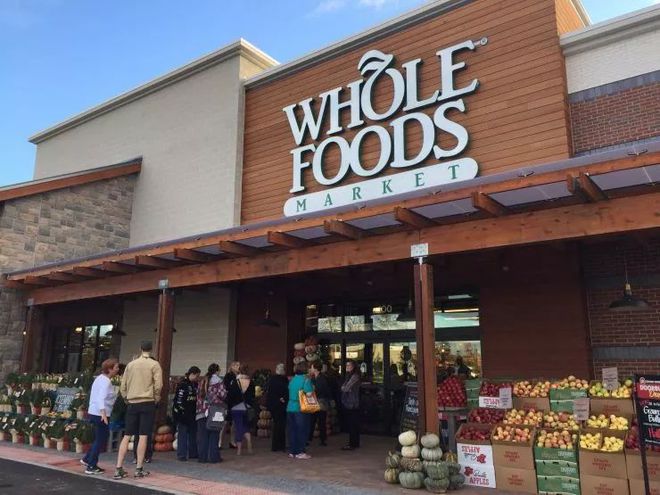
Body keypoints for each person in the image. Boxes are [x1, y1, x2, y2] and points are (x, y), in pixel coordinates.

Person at [114, 341, 162, 480]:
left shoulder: (131, 365)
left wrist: (126, 398)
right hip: (147, 402)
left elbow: (123, 385)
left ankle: (118, 468)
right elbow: (158, 385)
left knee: (127, 435)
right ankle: (139, 468)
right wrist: (156, 397)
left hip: (132, 403)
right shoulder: (154, 364)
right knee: (143, 436)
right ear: (151, 349)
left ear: (140, 349)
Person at [82, 358, 120, 474]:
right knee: (101, 438)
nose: (118, 369)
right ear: (110, 369)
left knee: (99, 437)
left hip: (94, 412)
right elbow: (101, 398)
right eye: (116, 367)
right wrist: (103, 413)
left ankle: (87, 459)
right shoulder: (106, 381)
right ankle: (91, 465)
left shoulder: (99, 378)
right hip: (101, 414)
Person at [196, 364, 226, 463]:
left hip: (201, 410)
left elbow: (198, 394)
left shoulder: (202, 381)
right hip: (215, 411)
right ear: (217, 371)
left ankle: (202, 457)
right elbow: (223, 395)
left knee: (202, 435)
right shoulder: (219, 381)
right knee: (214, 434)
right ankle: (214, 457)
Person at [173, 366, 201, 461]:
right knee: (183, 434)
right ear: (192, 374)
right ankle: (181, 454)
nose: (197, 378)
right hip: (183, 414)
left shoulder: (195, 385)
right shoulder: (183, 385)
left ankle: (193, 453)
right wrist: (181, 411)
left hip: (193, 413)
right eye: (197, 376)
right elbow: (179, 400)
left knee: (193, 433)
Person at [287, 362, 314, 460]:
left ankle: (292, 451)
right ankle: (300, 451)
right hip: (301, 407)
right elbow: (309, 394)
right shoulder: (306, 380)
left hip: (290, 407)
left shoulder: (292, 379)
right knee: (302, 430)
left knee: (292, 430)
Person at [230, 364, 255, 456]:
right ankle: (249, 441)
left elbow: (231, 395)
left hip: (236, 407)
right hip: (247, 407)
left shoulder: (235, 382)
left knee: (238, 427)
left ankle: (239, 450)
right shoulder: (251, 382)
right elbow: (253, 395)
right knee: (245, 426)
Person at [266, 363, 289, 452]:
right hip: (281, 405)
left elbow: (270, 392)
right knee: (281, 425)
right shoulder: (284, 379)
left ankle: (275, 446)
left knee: (276, 424)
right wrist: (283, 398)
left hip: (274, 405)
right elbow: (286, 391)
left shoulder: (272, 379)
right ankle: (281, 445)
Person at [308, 362, 332, 447]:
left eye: (312, 367)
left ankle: (322, 439)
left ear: (315, 369)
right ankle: (310, 438)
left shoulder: (322, 379)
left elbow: (323, 390)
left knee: (321, 421)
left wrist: (314, 390)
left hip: (321, 402)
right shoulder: (314, 378)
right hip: (315, 401)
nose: (310, 369)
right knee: (313, 420)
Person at [341, 359, 361, 451]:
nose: (347, 367)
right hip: (350, 401)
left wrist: (345, 388)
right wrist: (345, 388)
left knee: (353, 424)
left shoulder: (354, 376)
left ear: (353, 366)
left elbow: (345, 388)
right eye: (346, 365)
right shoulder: (349, 376)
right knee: (352, 423)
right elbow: (345, 387)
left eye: (349, 365)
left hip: (353, 403)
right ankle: (354, 443)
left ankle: (353, 443)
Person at [223, 361, 240, 448]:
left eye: (239, 365)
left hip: (237, 401)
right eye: (236, 365)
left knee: (235, 422)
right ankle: (219, 441)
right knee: (226, 422)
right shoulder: (228, 376)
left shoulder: (239, 376)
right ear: (232, 366)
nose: (238, 367)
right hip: (229, 401)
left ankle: (232, 441)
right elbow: (226, 387)